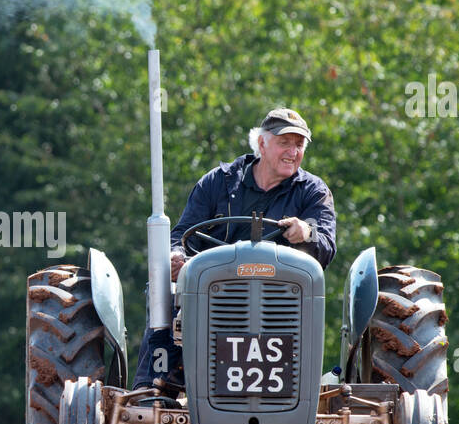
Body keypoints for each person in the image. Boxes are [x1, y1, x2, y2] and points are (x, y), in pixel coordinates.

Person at [132, 108, 337, 391]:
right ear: (262, 144)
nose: (293, 152)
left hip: (280, 300)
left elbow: (326, 246)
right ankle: (152, 387)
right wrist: (177, 255)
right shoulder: (218, 182)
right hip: (215, 293)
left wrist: (307, 234)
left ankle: (299, 391)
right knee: (164, 291)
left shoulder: (313, 191)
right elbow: (181, 235)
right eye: (285, 143)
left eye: (299, 145)